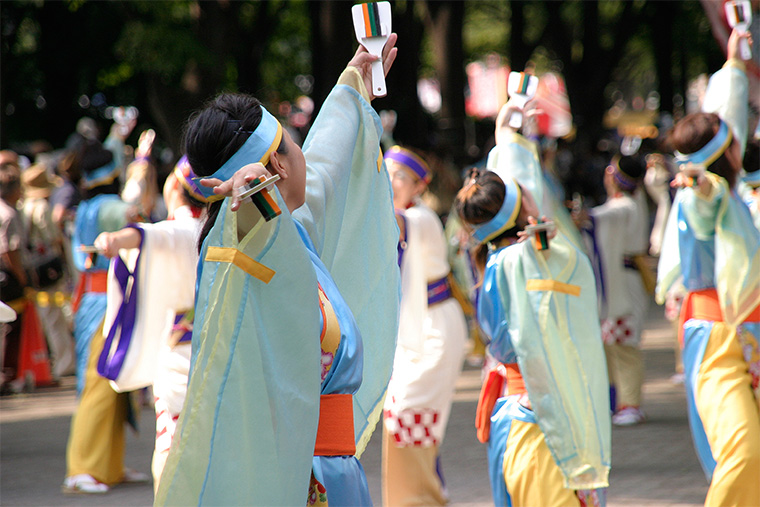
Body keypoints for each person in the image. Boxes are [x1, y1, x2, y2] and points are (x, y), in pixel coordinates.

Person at [156, 35, 399, 506]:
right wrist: (244, 205)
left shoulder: (292, 236)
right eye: (293, 141)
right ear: (279, 167)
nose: (304, 149)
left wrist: (354, 84)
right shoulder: (248, 254)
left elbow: (326, 158)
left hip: (332, 474)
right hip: (297, 482)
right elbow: (249, 232)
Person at [457, 169, 610, 507]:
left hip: (515, 414)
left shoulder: (497, 262)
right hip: (540, 415)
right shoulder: (523, 261)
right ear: (519, 209)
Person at [656, 29, 760, 507]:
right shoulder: (704, 199)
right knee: (743, 452)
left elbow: (724, 119)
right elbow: (706, 198)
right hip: (718, 338)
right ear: (727, 155)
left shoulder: (735, 196)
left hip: (745, 332)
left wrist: (735, 64)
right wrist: (699, 185)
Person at [92, 156, 206, 492]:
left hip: (180, 353)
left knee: (171, 443)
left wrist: (112, 241)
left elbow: (144, 236)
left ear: (177, 187)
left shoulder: (184, 229)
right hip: (214, 342)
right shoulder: (220, 229)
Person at [62, 118, 151, 494]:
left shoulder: (88, 206)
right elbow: (136, 208)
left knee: (112, 384)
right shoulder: (111, 207)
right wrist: (143, 163)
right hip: (105, 302)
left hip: (95, 300)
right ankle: (81, 467)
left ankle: (106, 466)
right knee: (101, 383)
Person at [381, 146, 467, 506]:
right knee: (404, 417)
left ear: (418, 186)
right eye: (386, 173)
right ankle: (420, 496)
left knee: (409, 415)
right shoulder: (406, 215)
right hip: (415, 328)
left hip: (434, 329)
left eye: (400, 177)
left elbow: (395, 220)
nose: (391, 182)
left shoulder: (422, 218)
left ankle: (421, 499)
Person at [576, 154, 650, 426]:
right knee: (611, 343)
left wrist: (586, 217)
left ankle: (630, 402)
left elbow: (604, 217)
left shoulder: (625, 205)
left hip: (625, 280)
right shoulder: (628, 203)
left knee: (624, 344)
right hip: (620, 277)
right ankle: (617, 400)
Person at [20, 163, 76, 380]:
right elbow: (54, 240)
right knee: (56, 319)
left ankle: (59, 361)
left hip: (35, 268)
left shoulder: (23, 206)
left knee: (48, 318)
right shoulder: (42, 209)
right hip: (49, 269)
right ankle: (65, 363)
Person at [0, 159, 29, 394]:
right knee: (11, 326)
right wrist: (22, 277)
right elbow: (10, 251)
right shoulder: (9, 214)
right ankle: (7, 375)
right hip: (7, 278)